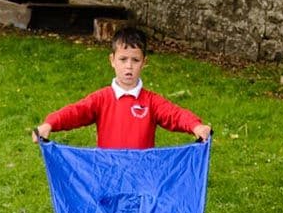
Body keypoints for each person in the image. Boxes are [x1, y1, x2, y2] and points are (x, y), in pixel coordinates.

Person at [33, 26, 212, 149]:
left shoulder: (151, 102)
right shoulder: (101, 99)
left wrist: (195, 126)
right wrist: (50, 124)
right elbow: (76, 112)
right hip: (108, 176)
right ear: (112, 60)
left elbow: (175, 114)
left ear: (144, 63)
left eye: (135, 60)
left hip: (141, 179)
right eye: (123, 59)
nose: (129, 66)